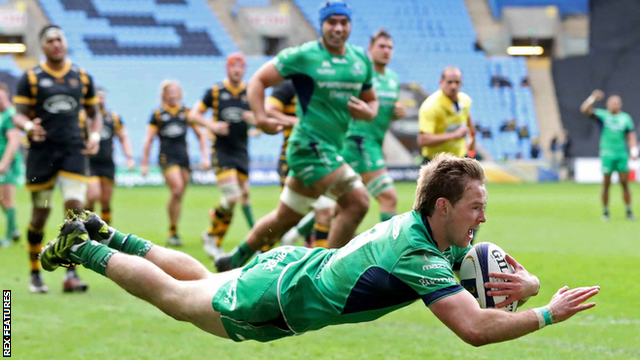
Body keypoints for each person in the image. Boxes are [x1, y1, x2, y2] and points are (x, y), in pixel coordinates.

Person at [38, 153, 599, 345]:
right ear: (443, 207)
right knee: (176, 298)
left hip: (291, 269)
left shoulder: (427, 233)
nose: (484, 217)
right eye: (476, 205)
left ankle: (107, 234)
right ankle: (82, 249)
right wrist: (546, 313)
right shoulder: (419, 253)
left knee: (203, 279)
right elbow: (474, 328)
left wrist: (524, 288)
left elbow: (484, 267)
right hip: (279, 296)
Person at [215, 0, 380, 271]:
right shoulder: (304, 56)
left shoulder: (360, 60)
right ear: (322, 24)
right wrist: (261, 118)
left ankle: (233, 259)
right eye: (332, 22)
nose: (338, 28)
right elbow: (258, 81)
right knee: (358, 202)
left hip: (329, 149)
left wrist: (368, 112)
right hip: (308, 147)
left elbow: (372, 102)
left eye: (344, 22)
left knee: (283, 219)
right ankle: (330, 274)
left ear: (350, 25)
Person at [12, 25, 103, 293]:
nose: (56, 44)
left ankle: (70, 274)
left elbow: (94, 113)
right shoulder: (30, 77)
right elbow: (19, 114)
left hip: (73, 151)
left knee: (75, 208)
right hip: (41, 154)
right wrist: (28, 126)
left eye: (59, 39)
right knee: (41, 212)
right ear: (42, 46)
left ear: (65, 42)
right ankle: (34, 273)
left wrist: (95, 136)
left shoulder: (82, 77)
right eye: (50, 41)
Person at [188, 53, 256, 259]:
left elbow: (261, 119)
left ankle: (215, 240)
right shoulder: (216, 91)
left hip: (242, 151)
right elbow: (193, 115)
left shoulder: (250, 92)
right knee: (232, 196)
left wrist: (254, 120)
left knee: (240, 197)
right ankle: (211, 236)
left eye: (240, 66)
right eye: (233, 66)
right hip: (222, 150)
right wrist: (211, 125)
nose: (237, 70)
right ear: (227, 68)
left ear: (244, 70)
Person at [341, 29, 406, 225]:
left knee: (341, 201)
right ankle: (388, 249)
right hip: (359, 141)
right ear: (370, 49)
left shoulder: (393, 79)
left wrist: (394, 114)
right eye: (381, 46)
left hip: (375, 143)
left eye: (390, 47)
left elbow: (382, 113)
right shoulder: (361, 74)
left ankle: (298, 233)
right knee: (389, 197)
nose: (386, 51)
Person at [267, 80, 336, 249]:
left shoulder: (323, 85)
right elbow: (269, 111)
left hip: (319, 156)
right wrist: (297, 122)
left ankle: (317, 256)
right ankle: (257, 253)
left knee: (326, 208)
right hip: (291, 157)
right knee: (290, 214)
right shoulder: (287, 87)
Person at [140, 80, 210, 246]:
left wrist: (205, 156)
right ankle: (172, 231)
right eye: (169, 91)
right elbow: (149, 139)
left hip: (183, 157)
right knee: (177, 189)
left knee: (179, 195)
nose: (172, 94)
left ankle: (173, 231)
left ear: (180, 93)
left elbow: (200, 135)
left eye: (175, 91)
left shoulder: (186, 112)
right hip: (166, 157)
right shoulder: (157, 114)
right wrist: (144, 163)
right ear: (164, 94)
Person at [580, 89, 638, 221]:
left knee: (624, 183)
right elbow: (584, 110)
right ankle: (605, 211)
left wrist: (634, 150)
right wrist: (593, 98)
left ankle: (628, 210)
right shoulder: (603, 115)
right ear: (608, 105)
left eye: (617, 103)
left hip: (621, 154)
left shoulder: (625, 118)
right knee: (606, 183)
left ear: (620, 105)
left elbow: (630, 136)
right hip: (607, 154)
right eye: (612, 103)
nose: (615, 105)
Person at [86, 87, 135, 224]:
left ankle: (106, 232)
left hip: (107, 163)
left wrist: (129, 157)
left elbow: (123, 137)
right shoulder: (84, 116)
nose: (99, 99)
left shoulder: (113, 118)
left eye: (102, 96)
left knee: (106, 201)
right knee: (92, 195)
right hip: (89, 162)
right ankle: (87, 226)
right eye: (97, 96)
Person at [417, 66, 475, 164]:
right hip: (435, 162)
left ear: (461, 83)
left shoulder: (466, 101)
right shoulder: (430, 106)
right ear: (441, 82)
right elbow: (423, 140)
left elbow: (470, 127)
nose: (453, 86)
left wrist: (472, 146)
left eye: (457, 82)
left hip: (460, 159)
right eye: (449, 82)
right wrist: (454, 135)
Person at [0, 83, 23, 247]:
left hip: (7, 164)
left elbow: (14, 141)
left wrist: (4, 163)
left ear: (6, 96)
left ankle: (8, 237)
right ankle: (14, 230)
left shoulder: (11, 115)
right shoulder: (3, 115)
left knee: (6, 199)